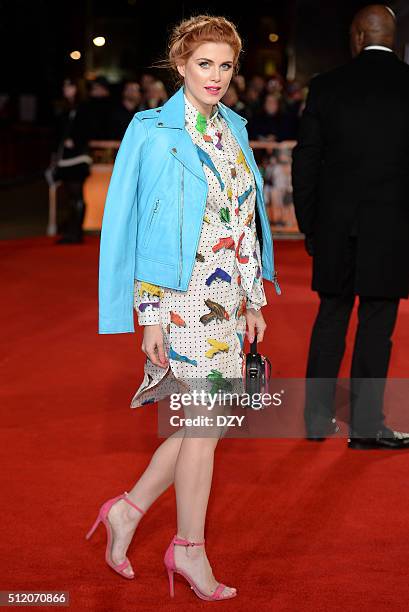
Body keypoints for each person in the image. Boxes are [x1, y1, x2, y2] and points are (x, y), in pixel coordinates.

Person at [92, 14, 280, 601]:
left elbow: (242, 221)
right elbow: (131, 224)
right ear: (181, 65)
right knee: (202, 429)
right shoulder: (151, 130)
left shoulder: (234, 129)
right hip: (179, 299)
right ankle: (189, 550)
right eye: (205, 64)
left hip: (227, 297)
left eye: (226, 65)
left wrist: (252, 295)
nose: (217, 76)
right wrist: (146, 311)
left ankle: (128, 509)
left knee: (212, 423)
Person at [292, 4, 409, 449]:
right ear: (392, 38)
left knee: (330, 318)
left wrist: (309, 225)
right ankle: (365, 427)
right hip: (393, 231)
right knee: (377, 326)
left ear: (358, 35)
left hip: (335, 228)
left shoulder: (326, 87)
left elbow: (306, 160)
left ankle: (317, 420)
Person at [50, 77, 91, 244]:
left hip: (79, 158)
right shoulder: (64, 108)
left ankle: (77, 232)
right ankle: (71, 231)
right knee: (69, 197)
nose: (66, 90)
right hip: (65, 159)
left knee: (77, 195)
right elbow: (57, 132)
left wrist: (76, 140)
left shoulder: (84, 107)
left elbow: (89, 129)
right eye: (65, 86)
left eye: (69, 86)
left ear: (77, 88)